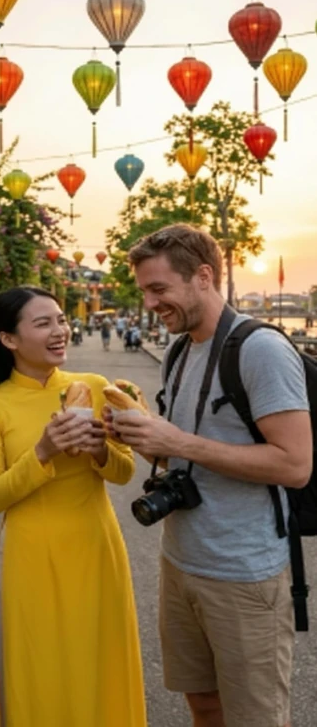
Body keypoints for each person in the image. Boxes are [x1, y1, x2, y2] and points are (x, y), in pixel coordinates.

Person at [105, 224, 312, 727]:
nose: (151, 303)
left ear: (203, 276)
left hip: (244, 575)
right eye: (145, 292)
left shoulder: (260, 349)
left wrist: (176, 442)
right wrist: (137, 437)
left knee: (255, 717)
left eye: (159, 289)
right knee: (204, 705)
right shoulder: (181, 349)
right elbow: (184, 456)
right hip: (180, 563)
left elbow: (295, 464)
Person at [0, 286, 147, 727]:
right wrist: (43, 451)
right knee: (38, 668)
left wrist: (99, 452)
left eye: (61, 320)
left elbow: (123, 473)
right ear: (9, 339)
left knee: (101, 662)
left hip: (97, 545)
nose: (59, 331)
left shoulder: (96, 389)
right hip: (31, 556)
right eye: (43, 323)